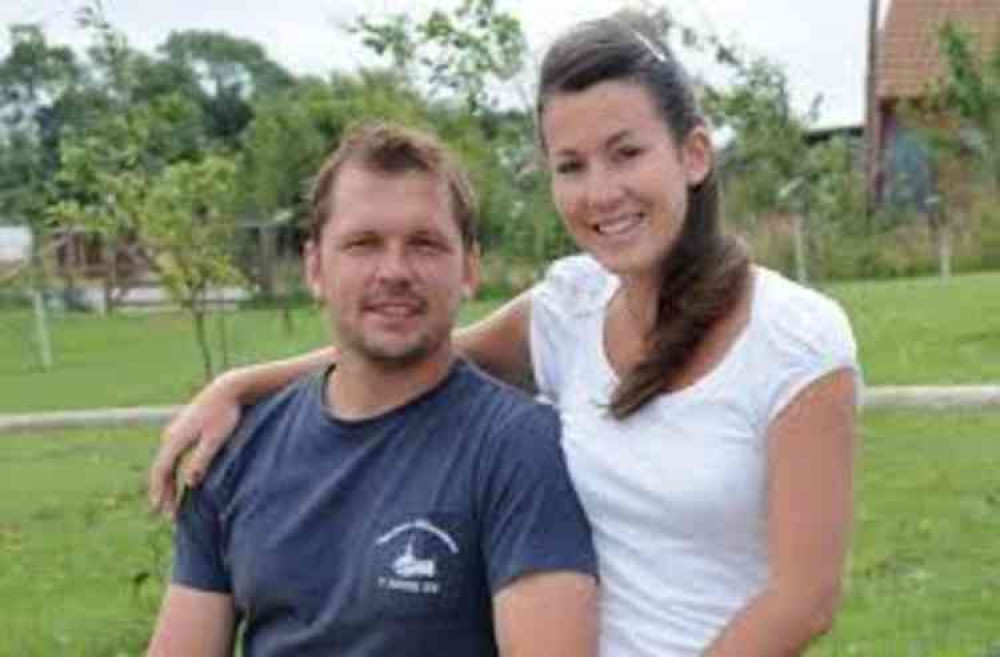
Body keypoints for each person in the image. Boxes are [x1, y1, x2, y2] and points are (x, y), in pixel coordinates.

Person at [151, 11, 860, 657]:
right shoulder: (569, 309)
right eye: (571, 166)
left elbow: (803, 601)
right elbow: (408, 349)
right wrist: (240, 385)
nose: (602, 191)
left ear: (694, 154)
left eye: (627, 153)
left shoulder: (794, 339)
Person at [146, 122, 599, 657]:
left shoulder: (518, 449)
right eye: (363, 244)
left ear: (469, 269)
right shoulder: (234, 448)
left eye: (425, 244)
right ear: (315, 267)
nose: (394, 271)